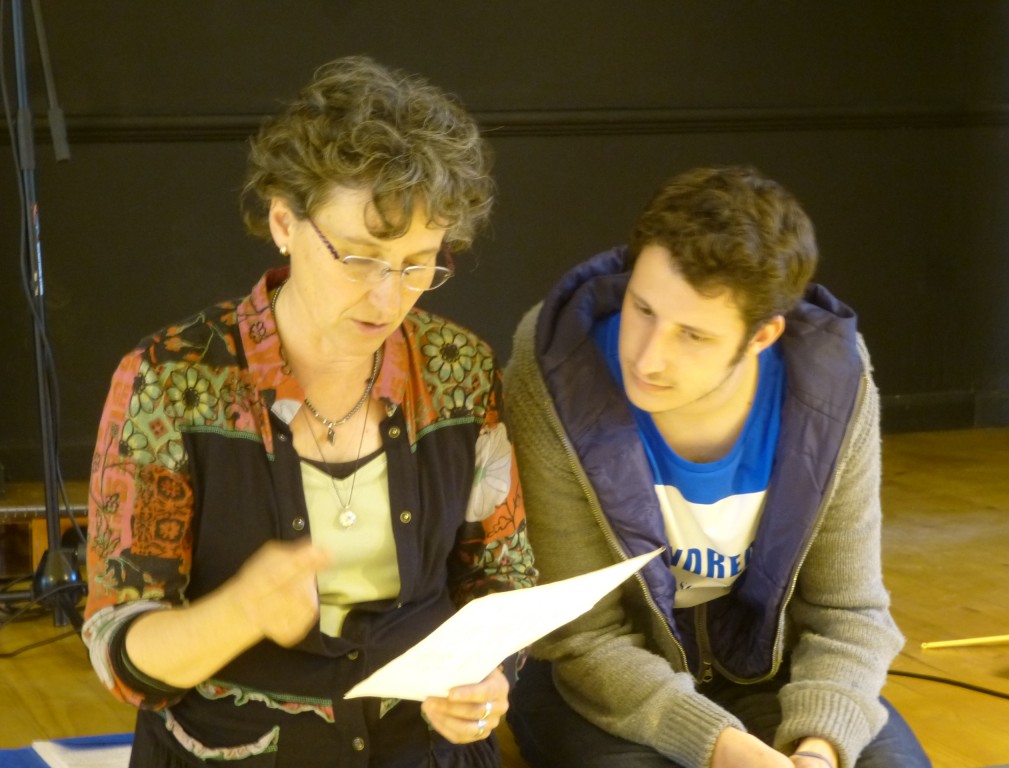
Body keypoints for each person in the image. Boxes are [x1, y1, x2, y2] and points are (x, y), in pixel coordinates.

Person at [82, 56, 535, 768]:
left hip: (422, 749)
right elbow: (120, 649)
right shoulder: (171, 380)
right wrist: (236, 613)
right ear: (283, 222)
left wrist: (488, 676)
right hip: (233, 751)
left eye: (419, 263)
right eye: (358, 257)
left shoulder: (459, 371)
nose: (388, 297)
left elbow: (500, 575)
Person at [503, 166, 931, 768]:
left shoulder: (831, 385)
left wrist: (817, 751)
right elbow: (582, 635)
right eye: (642, 308)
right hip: (605, 680)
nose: (648, 357)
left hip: (773, 670)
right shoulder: (557, 371)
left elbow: (847, 611)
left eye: (693, 336)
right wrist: (720, 747)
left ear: (762, 337)